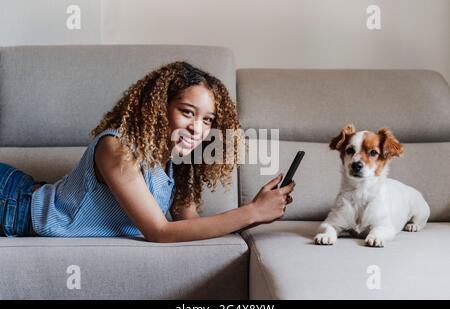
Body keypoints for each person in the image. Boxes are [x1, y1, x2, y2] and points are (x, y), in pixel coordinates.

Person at [0, 61, 295, 242]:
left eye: (207, 120)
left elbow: (189, 225)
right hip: (12, 205)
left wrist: (257, 212)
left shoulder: (177, 161)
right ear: (157, 109)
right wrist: (251, 212)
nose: (198, 128)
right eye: (187, 112)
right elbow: (159, 232)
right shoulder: (117, 148)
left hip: (26, 190)